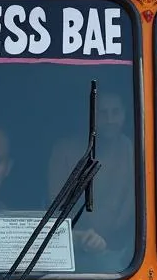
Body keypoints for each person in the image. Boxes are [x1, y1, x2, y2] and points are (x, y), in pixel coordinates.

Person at [47, 91, 134, 255]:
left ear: (124, 113)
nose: (109, 120)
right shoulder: (64, 150)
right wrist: (80, 237)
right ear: (90, 116)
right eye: (102, 113)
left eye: (115, 112)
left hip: (125, 251)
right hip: (72, 243)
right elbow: (58, 205)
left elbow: (133, 203)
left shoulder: (130, 149)